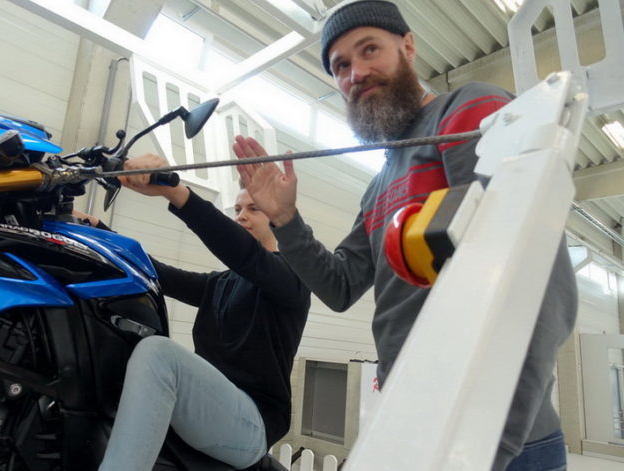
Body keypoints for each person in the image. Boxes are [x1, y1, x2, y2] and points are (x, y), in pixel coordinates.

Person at [233, 1, 576, 470]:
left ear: (408, 46)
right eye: (341, 66)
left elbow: (533, 273)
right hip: (419, 426)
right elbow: (340, 286)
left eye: (369, 49)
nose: (356, 73)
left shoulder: (467, 111)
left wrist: (488, 445)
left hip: (493, 441)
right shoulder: (378, 187)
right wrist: (286, 219)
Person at [96, 154, 311, 471]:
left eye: (254, 209)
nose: (241, 216)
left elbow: (242, 253)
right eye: (237, 210)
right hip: (211, 413)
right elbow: (158, 273)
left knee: (160, 354)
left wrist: (174, 191)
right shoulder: (221, 283)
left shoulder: (294, 278)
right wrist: (95, 231)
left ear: (276, 218)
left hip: (251, 424)